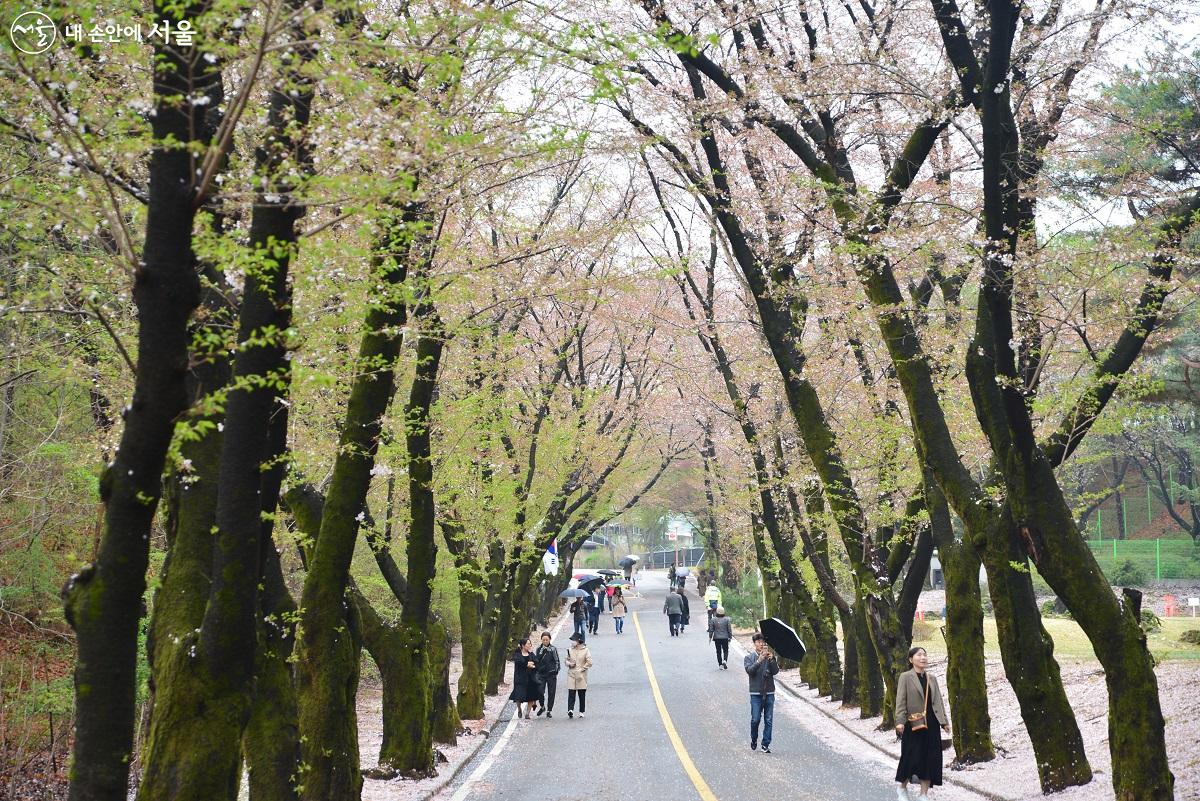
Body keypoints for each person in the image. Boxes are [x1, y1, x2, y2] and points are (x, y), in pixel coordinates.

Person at [894, 646, 950, 799]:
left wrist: (944, 722)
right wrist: (899, 721)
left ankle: (923, 794)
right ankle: (902, 788)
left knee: (930, 757)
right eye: (919, 655)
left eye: (925, 655)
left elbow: (938, 701)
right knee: (910, 756)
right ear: (911, 659)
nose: (923, 658)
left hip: (931, 724)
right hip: (913, 723)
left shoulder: (932, 678)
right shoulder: (905, 677)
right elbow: (900, 701)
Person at [744, 632, 779, 753]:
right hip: (755, 693)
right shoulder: (749, 658)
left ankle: (765, 744)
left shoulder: (770, 657)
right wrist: (759, 660)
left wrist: (772, 660)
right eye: (758, 642)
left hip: (769, 692)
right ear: (754, 644)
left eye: (762, 642)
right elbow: (750, 671)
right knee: (755, 719)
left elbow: (775, 672)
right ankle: (754, 739)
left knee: (768, 719)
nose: (761, 644)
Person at [509, 637, 539, 720]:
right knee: (518, 696)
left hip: (530, 678)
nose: (530, 645)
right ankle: (519, 708)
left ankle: (527, 713)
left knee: (531, 696)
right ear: (523, 645)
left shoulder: (531, 654)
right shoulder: (517, 655)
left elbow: (536, 663)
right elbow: (519, 662)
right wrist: (527, 664)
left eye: (530, 644)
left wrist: (532, 665)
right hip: (520, 678)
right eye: (528, 644)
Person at [565, 631, 592, 718]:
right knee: (571, 692)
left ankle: (581, 711)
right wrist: (568, 663)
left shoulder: (586, 650)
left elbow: (590, 662)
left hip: (581, 675)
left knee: (581, 693)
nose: (572, 642)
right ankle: (570, 710)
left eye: (574, 640)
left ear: (579, 641)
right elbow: (566, 660)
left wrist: (582, 669)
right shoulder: (570, 650)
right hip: (571, 674)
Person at [533, 631, 560, 718]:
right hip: (541, 674)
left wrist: (555, 671)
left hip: (551, 674)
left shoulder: (553, 649)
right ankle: (542, 706)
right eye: (543, 640)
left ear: (549, 640)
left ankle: (549, 710)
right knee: (540, 691)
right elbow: (536, 661)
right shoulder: (538, 649)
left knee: (551, 692)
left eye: (547, 640)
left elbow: (557, 661)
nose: (545, 641)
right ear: (541, 640)